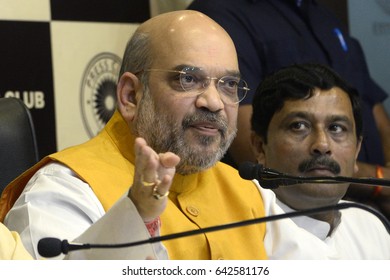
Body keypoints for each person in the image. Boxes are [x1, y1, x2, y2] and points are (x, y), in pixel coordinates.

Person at [0, 10, 267, 260]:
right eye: (188, 79)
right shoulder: (62, 192)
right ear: (131, 96)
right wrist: (136, 216)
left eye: (229, 85)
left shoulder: (249, 191)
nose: (214, 102)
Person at [188, 0, 390, 218]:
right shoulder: (219, 13)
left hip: (370, 214)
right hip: (293, 216)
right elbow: (248, 143)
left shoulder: (323, 15)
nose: (322, 143)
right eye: (299, 126)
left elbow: (373, 108)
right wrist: (379, 182)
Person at [250, 63, 390, 259]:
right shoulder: (238, 229)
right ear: (259, 146)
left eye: (336, 128)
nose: (322, 145)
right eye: (298, 126)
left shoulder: (369, 225)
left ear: (357, 149)